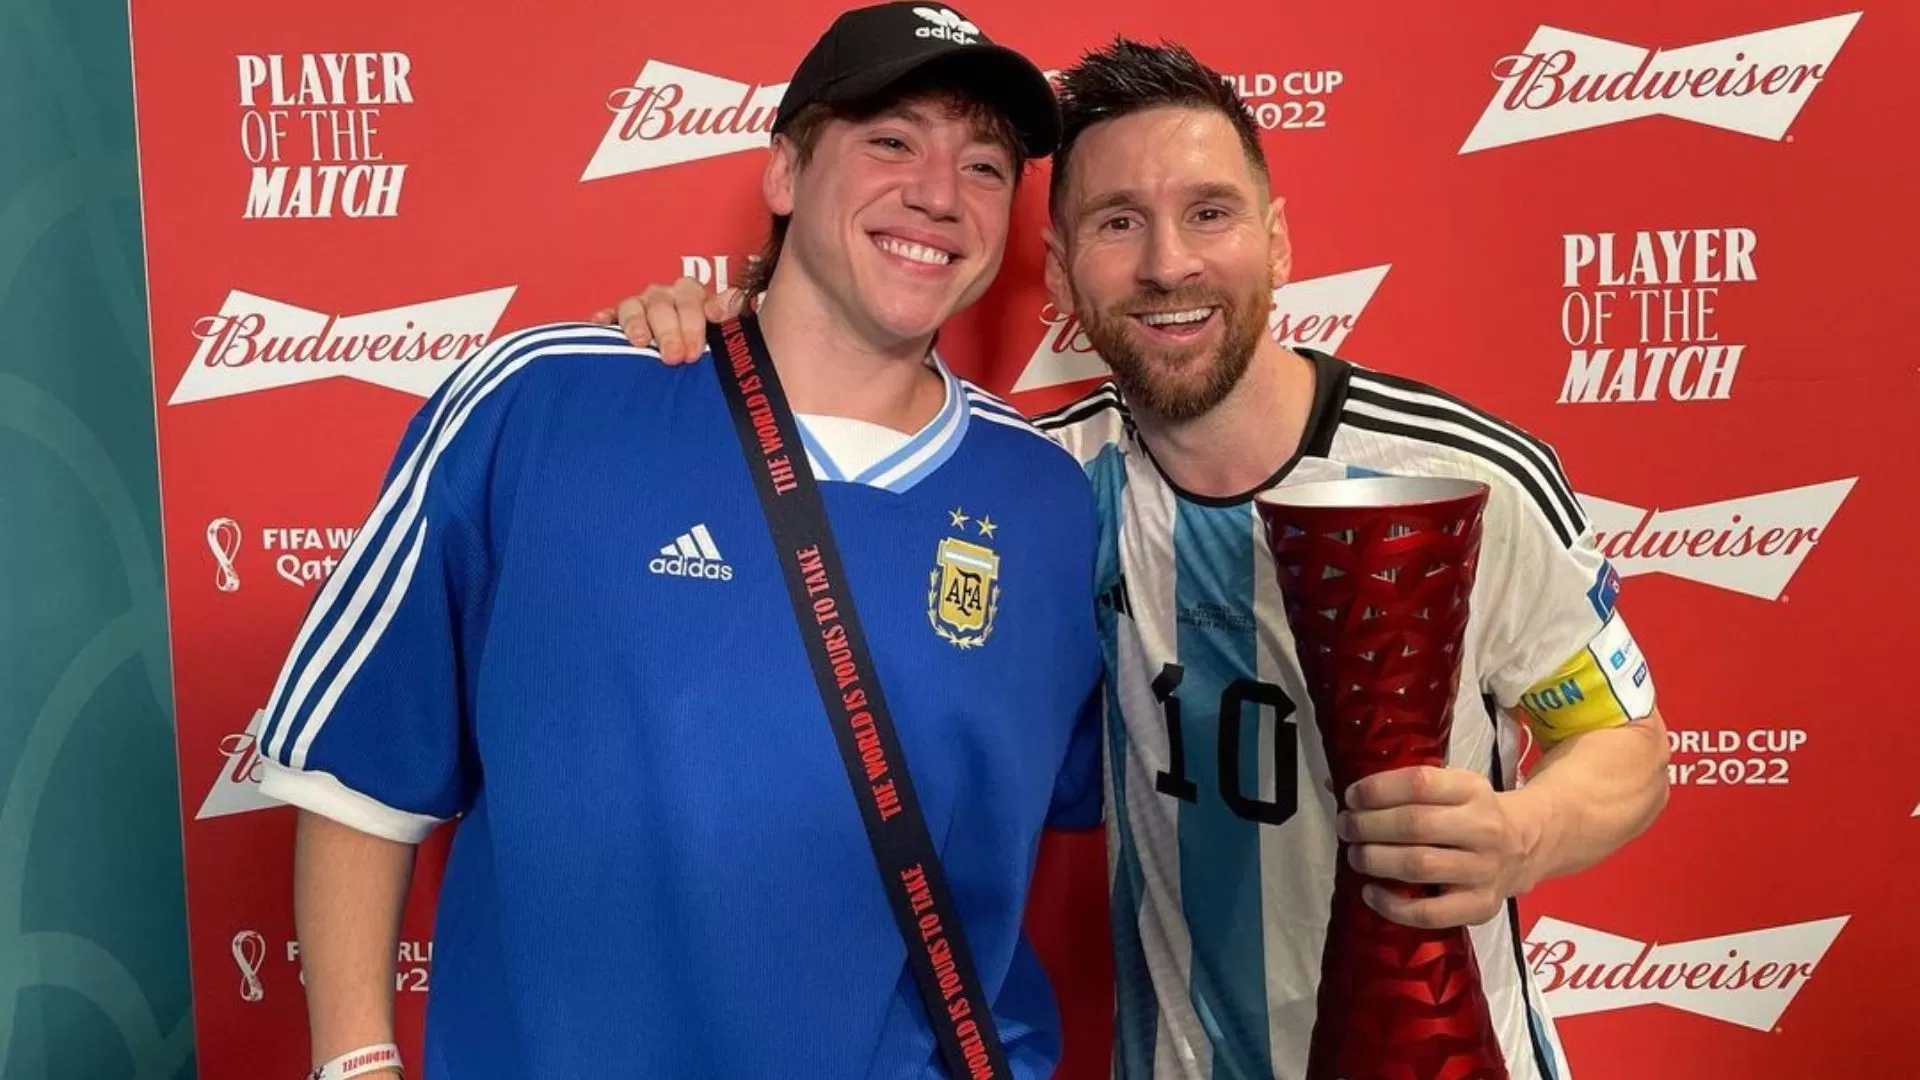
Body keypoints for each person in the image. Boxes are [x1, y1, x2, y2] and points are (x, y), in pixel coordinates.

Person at [596, 36, 1673, 1080]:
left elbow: (1622, 743)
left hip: (1443, 1056)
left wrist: (1522, 835)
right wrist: (706, 334)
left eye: (1210, 213)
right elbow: (825, 445)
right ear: (1061, 270)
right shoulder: (1039, 486)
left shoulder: (1459, 474)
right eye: (1119, 223)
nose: (1169, 264)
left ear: (1279, 240)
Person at [254, 5, 1107, 1079]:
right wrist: (355, 1063)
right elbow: (359, 774)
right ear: (787, 172)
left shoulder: (1047, 497)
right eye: (891, 140)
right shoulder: (545, 405)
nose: (939, 193)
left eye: (985, 167)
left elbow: (1114, 789)